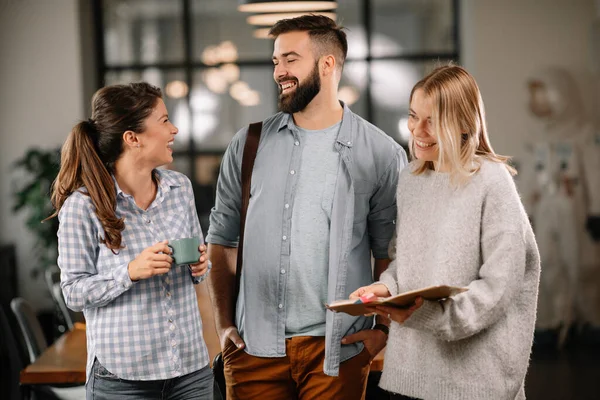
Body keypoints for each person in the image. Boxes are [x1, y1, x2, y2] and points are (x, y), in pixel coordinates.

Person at [206, 15, 407, 400]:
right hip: (253, 351)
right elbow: (222, 240)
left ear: (327, 64)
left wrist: (381, 333)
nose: (279, 71)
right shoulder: (248, 144)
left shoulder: (381, 154)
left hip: (339, 351)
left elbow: (390, 254)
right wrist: (224, 324)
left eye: (291, 59)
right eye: (276, 61)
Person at [350, 65, 541, 400]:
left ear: (465, 123)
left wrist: (424, 314)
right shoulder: (411, 180)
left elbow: (501, 285)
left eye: (432, 120)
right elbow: (405, 263)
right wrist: (384, 287)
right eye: (413, 116)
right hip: (406, 378)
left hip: (474, 385)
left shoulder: (492, 182)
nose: (417, 130)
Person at [50, 82, 213, 399]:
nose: (174, 129)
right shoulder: (83, 207)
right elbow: (72, 291)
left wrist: (200, 264)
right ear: (132, 138)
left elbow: (199, 269)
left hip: (191, 371)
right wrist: (130, 271)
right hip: (124, 381)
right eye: (164, 121)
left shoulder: (180, 189)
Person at [522, 67, 600, 346]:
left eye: (542, 95)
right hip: (544, 209)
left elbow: (594, 171)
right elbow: (530, 175)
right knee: (546, 264)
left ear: (560, 96)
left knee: (582, 263)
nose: (536, 102)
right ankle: (549, 322)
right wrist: (523, 211)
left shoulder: (583, 133)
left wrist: (596, 211)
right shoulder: (538, 135)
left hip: (574, 207)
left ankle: (589, 321)